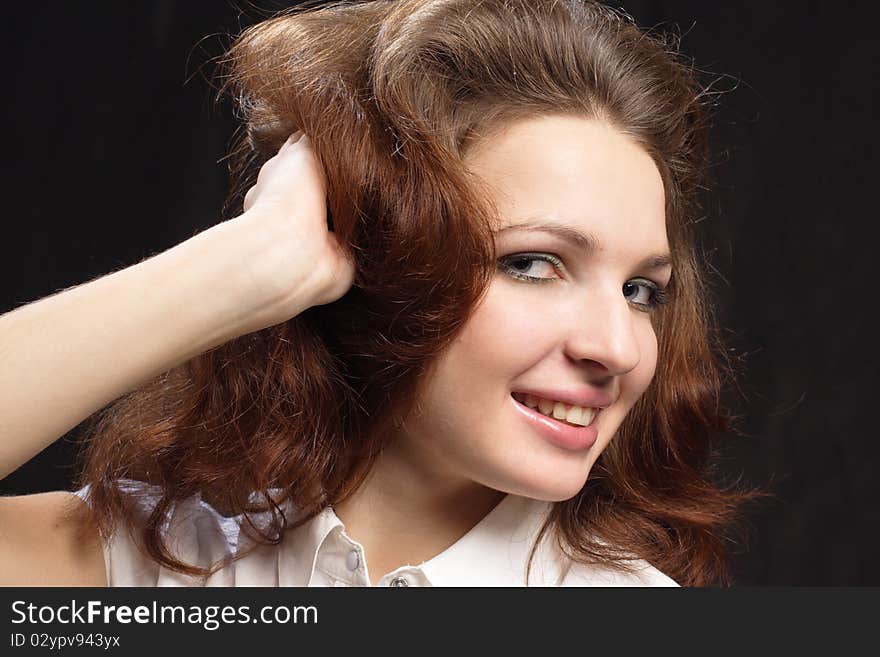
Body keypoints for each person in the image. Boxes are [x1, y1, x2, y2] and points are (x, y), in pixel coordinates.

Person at [0, 0, 755, 587]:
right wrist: (247, 261)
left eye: (640, 290)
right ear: (383, 257)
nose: (617, 347)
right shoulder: (162, 566)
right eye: (533, 264)